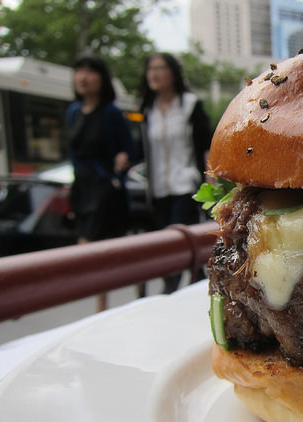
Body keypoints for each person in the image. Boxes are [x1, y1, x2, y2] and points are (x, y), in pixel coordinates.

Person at [66, 53, 135, 310]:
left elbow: (130, 149)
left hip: (105, 189)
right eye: (78, 71)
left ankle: (101, 306)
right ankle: (104, 303)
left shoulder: (112, 113)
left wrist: (122, 159)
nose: (83, 77)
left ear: (101, 78)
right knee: (88, 246)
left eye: (90, 71)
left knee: (97, 248)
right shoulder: (72, 112)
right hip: (81, 187)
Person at [139, 52, 212, 294]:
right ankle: (198, 284)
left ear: (173, 72)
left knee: (176, 242)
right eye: (151, 69)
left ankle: (168, 291)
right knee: (171, 244)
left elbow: (205, 145)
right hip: (158, 188)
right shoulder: (146, 110)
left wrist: (210, 177)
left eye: (160, 68)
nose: (155, 74)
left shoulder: (190, 105)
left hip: (185, 184)